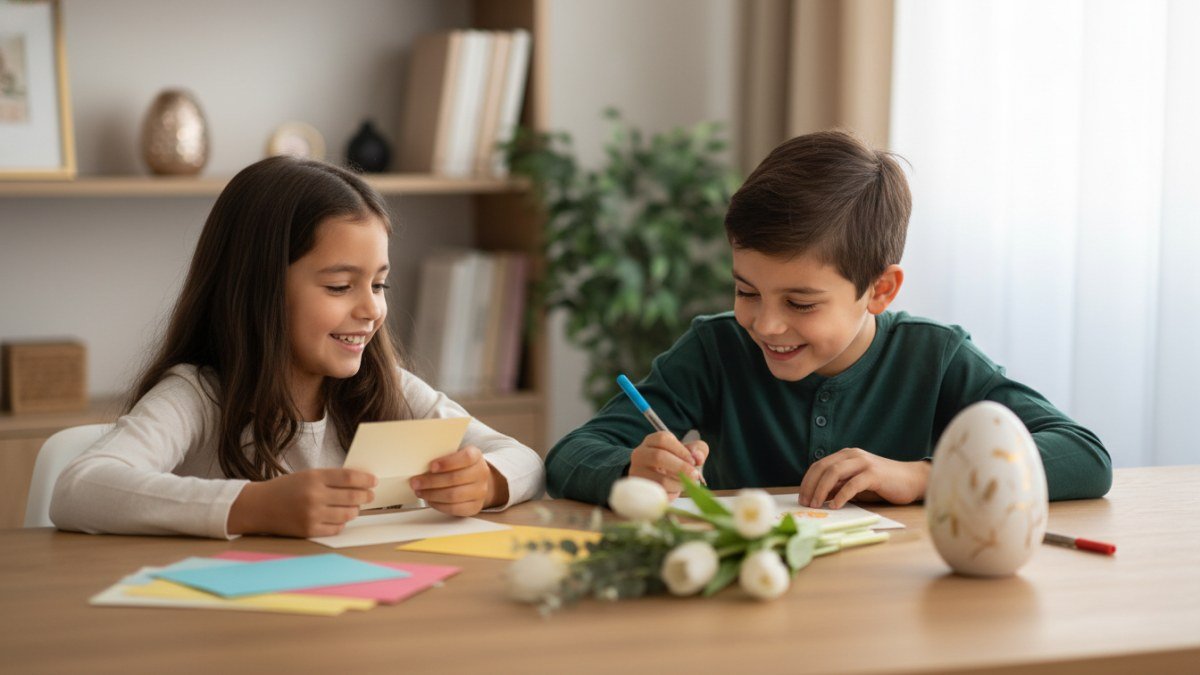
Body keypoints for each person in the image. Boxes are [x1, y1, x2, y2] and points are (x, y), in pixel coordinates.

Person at [545, 130, 1111, 508]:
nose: (766, 325)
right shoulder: (715, 349)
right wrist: (632, 470)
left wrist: (922, 476)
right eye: (746, 291)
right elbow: (572, 454)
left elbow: (1083, 456)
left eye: (800, 303)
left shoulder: (933, 357)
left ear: (880, 290)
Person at [50, 156, 544, 539]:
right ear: (259, 289)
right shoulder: (199, 395)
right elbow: (79, 487)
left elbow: (523, 458)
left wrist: (488, 481)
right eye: (339, 287)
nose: (371, 309)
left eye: (379, 285)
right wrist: (254, 506)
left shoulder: (386, 386)